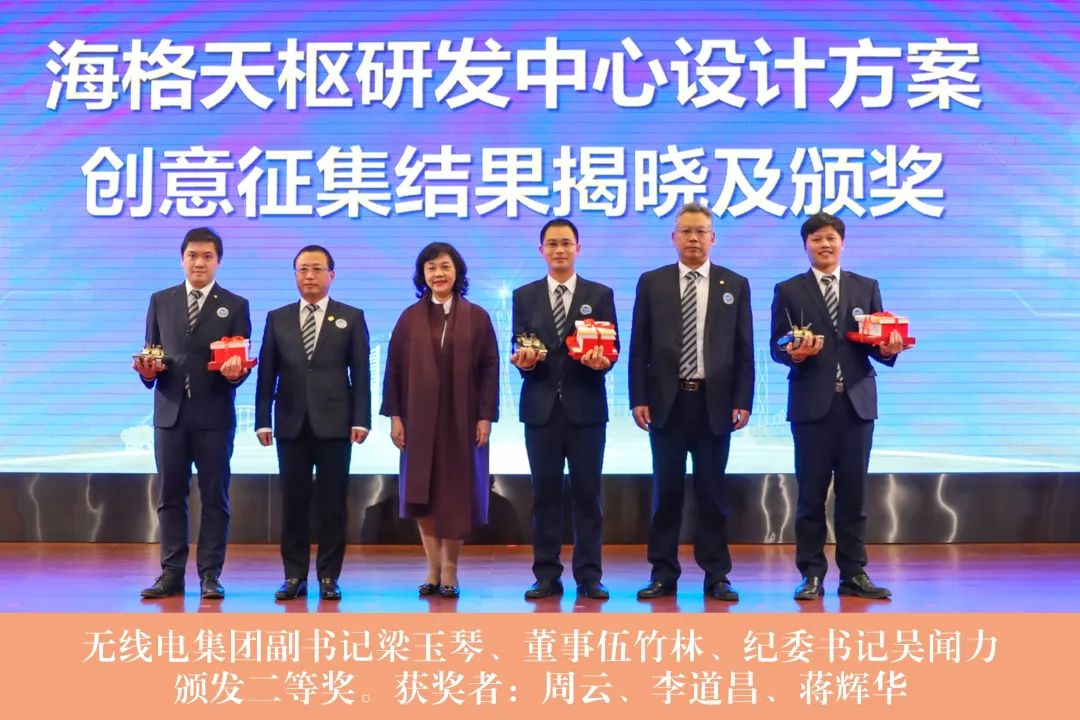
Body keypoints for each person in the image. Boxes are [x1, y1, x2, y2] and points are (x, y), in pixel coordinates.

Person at [770, 212, 907, 601]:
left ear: (842, 243)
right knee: (810, 496)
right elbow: (777, 345)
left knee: (854, 495)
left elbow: (876, 344)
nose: (824, 245)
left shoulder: (866, 287)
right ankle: (811, 575)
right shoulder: (789, 290)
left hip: (856, 406)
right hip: (811, 406)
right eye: (816, 239)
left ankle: (854, 573)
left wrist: (888, 349)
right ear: (806, 246)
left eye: (830, 238)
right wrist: (793, 353)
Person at [629, 202, 754, 601]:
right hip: (666, 404)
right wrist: (638, 397)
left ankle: (716, 575)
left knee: (712, 495)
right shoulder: (652, 282)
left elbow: (744, 347)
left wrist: (743, 399)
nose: (694, 238)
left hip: (714, 404)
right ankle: (663, 573)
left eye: (701, 232)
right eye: (686, 231)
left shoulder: (735, 284)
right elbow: (639, 345)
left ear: (713, 238)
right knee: (666, 493)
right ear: (674, 238)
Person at [133, 227, 251, 599]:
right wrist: (147, 372)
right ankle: (171, 574)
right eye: (193, 256)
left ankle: (210, 575)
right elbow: (152, 352)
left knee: (215, 497)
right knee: (170, 496)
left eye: (207, 257)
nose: (199, 263)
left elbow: (240, 362)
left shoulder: (235, 304)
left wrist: (236, 374)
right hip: (170, 415)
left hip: (215, 416)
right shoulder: (160, 300)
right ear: (182, 259)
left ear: (218, 261)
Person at [381, 242, 499, 598]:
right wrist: (395, 416)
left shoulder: (477, 317)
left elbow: (489, 369)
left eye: (445, 266)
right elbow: (393, 370)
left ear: (457, 271)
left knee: (455, 496)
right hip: (418, 420)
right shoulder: (409, 318)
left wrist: (485, 416)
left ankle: (450, 570)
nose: (438, 274)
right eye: (431, 268)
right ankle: (432, 569)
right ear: (423, 275)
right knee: (423, 495)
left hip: (462, 421)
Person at [255, 245, 371, 601]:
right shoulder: (278, 318)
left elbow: (361, 373)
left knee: (333, 504)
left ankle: (329, 576)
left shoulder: (351, 317)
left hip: (336, 423)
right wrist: (262, 420)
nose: (309, 275)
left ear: (331, 275)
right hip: (290, 422)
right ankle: (294, 576)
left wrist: (362, 419)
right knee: (294, 503)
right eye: (303, 269)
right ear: (295, 275)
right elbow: (267, 373)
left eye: (317, 269)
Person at [511, 219, 618, 601]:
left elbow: (612, 347)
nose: (559, 250)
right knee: (545, 496)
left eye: (566, 243)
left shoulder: (599, 294)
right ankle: (546, 575)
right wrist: (523, 360)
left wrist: (602, 361)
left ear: (578, 248)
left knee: (588, 496)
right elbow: (519, 344)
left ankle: (589, 576)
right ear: (541, 250)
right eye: (552, 244)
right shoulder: (525, 295)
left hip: (587, 409)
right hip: (540, 410)